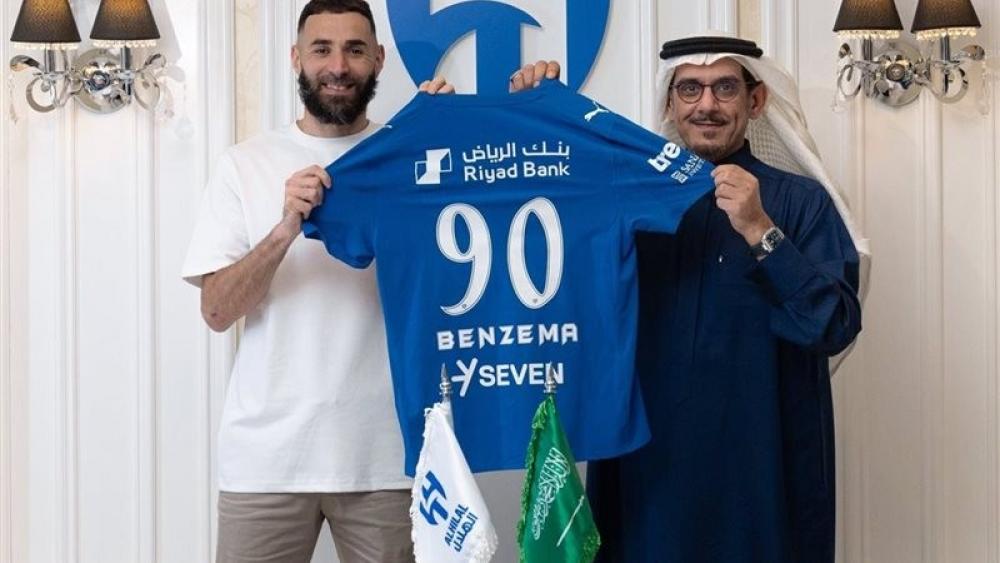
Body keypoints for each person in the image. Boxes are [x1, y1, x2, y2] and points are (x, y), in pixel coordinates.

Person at [511, 34, 865, 563]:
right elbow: (545, 258)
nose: (706, 105)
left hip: (763, 477)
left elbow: (833, 324)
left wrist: (760, 228)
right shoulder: (626, 203)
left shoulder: (800, 202)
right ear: (670, 104)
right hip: (649, 478)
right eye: (690, 89)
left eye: (725, 88)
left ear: (756, 101)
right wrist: (534, 117)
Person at [181, 1, 451, 561]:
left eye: (355, 50)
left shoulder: (416, 159)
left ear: (379, 59)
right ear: (296, 58)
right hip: (266, 463)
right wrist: (285, 229)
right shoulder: (243, 164)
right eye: (322, 49)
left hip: (388, 456)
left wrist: (453, 134)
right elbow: (217, 311)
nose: (338, 66)